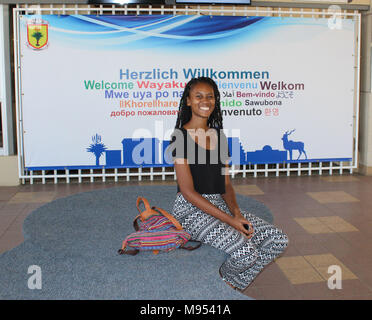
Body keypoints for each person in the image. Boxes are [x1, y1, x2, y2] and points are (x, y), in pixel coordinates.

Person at [168, 77, 289, 291]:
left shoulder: (219, 136)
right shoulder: (180, 137)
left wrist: (236, 213)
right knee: (246, 253)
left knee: (277, 240)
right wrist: (230, 221)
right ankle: (221, 288)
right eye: (198, 96)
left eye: (210, 96)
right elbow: (187, 192)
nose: (205, 101)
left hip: (219, 205)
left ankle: (230, 285)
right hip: (190, 211)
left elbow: (225, 183)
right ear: (188, 101)